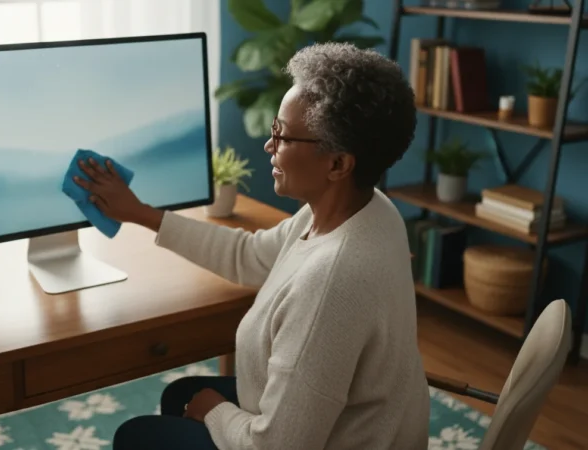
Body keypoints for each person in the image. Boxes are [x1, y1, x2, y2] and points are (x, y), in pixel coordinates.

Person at [73, 42, 430, 450]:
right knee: (179, 395)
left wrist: (214, 412)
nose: (268, 146)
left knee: (136, 436)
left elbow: (277, 447)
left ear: (337, 164)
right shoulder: (365, 209)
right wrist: (138, 212)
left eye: (282, 135)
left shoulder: (332, 282)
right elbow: (249, 255)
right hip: (364, 422)